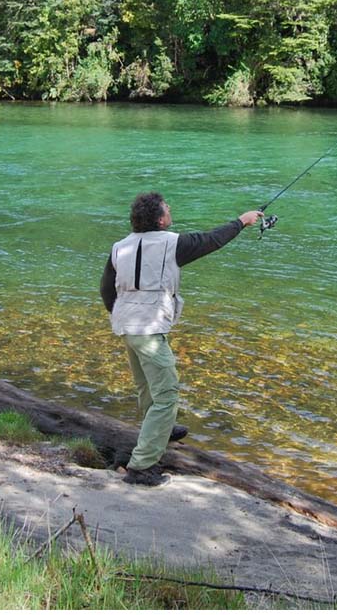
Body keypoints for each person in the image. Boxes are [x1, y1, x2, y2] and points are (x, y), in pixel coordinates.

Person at [100, 192, 262, 487]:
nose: (170, 208)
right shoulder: (172, 244)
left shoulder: (119, 247)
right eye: (166, 208)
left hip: (126, 326)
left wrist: (120, 316)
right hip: (148, 329)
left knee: (147, 388)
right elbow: (212, 240)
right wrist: (242, 221)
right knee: (167, 394)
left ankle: (162, 430)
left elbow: (106, 291)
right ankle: (142, 466)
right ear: (160, 219)